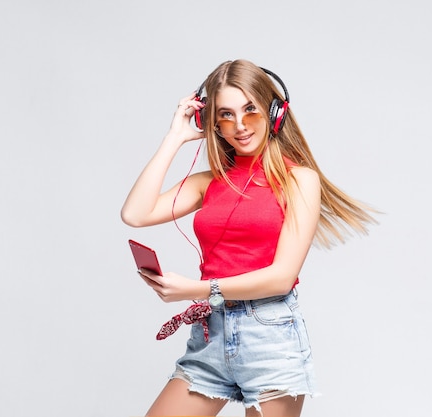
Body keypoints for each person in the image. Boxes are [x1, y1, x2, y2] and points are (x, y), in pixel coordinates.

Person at [121, 59, 376, 417]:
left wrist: (195, 290)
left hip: (269, 336)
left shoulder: (300, 180)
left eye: (250, 110)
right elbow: (135, 214)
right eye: (225, 114)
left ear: (274, 113)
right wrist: (174, 138)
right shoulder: (208, 182)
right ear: (212, 123)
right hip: (210, 337)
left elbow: (281, 277)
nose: (240, 126)